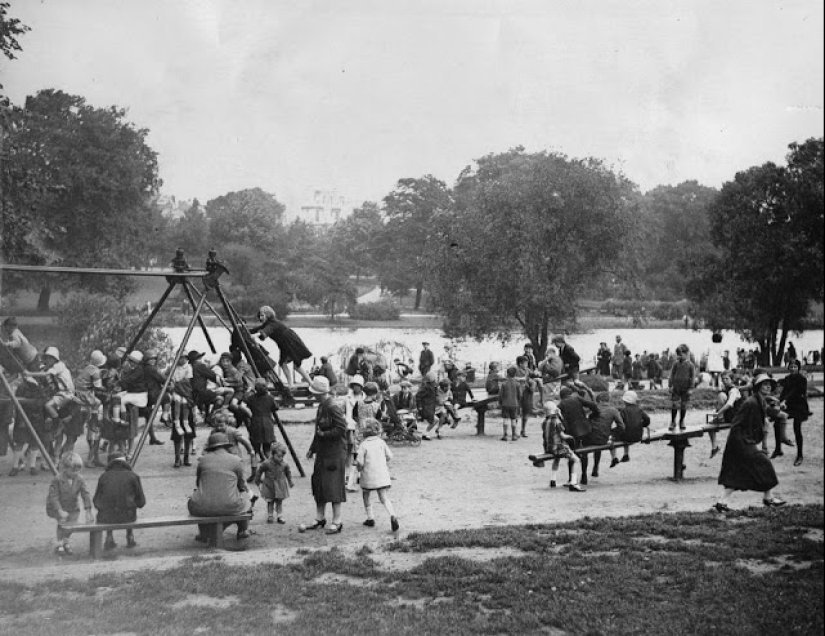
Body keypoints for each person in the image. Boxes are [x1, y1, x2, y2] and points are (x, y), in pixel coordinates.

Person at [714, 374, 787, 511]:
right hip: (740, 441)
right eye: (764, 384)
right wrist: (743, 443)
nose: (768, 386)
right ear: (758, 387)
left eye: (769, 384)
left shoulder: (760, 401)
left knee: (735, 473)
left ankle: (721, 503)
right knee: (764, 463)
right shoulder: (751, 402)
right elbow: (736, 424)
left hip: (742, 441)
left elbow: (767, 414)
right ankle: (768, 498)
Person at [188, 431, 251, 542]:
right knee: (246, 495)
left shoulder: (202, 461)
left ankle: (203, 533)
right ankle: (242, 530)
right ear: (226, 446)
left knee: (200, 494)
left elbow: (198, 484)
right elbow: (242, 485)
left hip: (201, 508)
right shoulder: (236, 460)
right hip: (230, 506)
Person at [305, 376, 347, 534]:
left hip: (335, 453)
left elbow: (341, 429)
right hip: (322, 453)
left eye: (314, 393)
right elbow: (318, 431)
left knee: (334, 486)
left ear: (320, 393)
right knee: (319, 484)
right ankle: (320, 518)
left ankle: (337, 521)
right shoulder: (322, 406)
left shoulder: (332, 406)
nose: (313, 396)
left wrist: (324, 434)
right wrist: (312, 448)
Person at [93, 451, 146, 550]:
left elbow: (96, 500)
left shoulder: (104, 477)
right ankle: (130, 535)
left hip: (106, 517)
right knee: (127, 505)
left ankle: (109, 536)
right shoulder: (133, 476)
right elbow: (141, 502)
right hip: (128, 516)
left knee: (109, 507)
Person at [249, 305, 313, 386]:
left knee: (295, 365)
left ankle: (308, 383)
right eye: (260, 315)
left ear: (268, 315)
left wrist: (256, 335)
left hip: (290, 342)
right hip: (284, 345)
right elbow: (257, 329)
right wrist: (245, 329)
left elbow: (266, 330)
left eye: (262, 315)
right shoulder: (267, 323)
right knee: (285, 364)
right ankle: (293, 384)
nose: (260, 318)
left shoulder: (273, 323)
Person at [46, 452, 93, 556]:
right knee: (62, 523)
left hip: (73, 506)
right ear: (65, 468)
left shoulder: (80, 479)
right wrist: (59, 510)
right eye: (72, 470)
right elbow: (53, 496)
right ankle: (59, 543)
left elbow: (85, 494)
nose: (75, 473)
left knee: (72, 525)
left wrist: (88, 510)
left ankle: (66, 541)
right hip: (59, 505)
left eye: (78, 470)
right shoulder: (57, 479)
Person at [356, 418, 399, 532]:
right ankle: (392, 515)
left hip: (368, 476)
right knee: (384, 497)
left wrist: (358, 470)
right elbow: (390, 456)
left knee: (366, 495)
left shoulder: (363, 445)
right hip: (381, 475)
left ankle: (370, 518)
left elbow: (360, 462)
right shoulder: (381, 442)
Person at [557, 385, 599, 485]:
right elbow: (592, 404)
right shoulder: (577, 398)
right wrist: (595, 414)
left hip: (572, 432)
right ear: (570, 394)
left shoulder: (561, 404)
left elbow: (560, 418)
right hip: (585, 428)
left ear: (562, 396)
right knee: (585, 452)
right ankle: (584, 475)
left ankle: (571, 478)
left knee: (571, 453)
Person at [541, 401, 585, 492]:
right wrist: (570, 437)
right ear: (555, 410)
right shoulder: (557, 421)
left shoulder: (545, 421)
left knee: (557, 459)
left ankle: (553, 480)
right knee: (576, 459)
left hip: (549, 447)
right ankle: (574, 483)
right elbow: (562, 435)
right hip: (557, 447)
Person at [585, 392, 624, 478]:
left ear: (600, 401)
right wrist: (611, 432)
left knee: (584, 448)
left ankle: (584, 474)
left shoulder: (592, 409)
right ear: (608, 400)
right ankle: (596, 467)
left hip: (590, 438)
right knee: (600, 442)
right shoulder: (613, 410)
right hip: (603, 439)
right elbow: (622, 426)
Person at [779, 360, 810, 467]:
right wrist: (779, 401)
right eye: (791, 366)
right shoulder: (787, 378)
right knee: (777, 419)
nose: (793, 369)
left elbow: (795, 391)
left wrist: (785, 401)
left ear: (798, 368)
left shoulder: (802, 379)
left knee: (797, 428)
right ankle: (779, 449)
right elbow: (784, 392)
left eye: (795, 367)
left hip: (799, 406)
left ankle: (799, 455)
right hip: (789, 405)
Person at [254, 441, 294, 524]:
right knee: (270, 501)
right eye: (279, 456)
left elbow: (288, 472)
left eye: (282, 456)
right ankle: (270, 515)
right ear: (272, 454)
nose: (281, 458)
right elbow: (260, 470)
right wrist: (257, 480)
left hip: (280, 485)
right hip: (270, 485)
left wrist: (290, 481)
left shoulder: (284, 464)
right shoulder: (266, 463)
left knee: (279, 501)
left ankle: (280, 515)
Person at [612, 390, 650, 465]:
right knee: (627, 430)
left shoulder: (623, 411)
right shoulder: (640, 410)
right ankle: (625, 454)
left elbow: (620, 424)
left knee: (616, 434)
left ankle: (615, 457)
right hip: (638, 436)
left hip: (627, 437)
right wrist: (642, 425)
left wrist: (613, 431)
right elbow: (647, 419)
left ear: (625, 401)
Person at [246, 378, 279, 464]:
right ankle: (269, 463)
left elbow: (245, 404)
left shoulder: (251, 398)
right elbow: (276, 407)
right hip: (267, 423)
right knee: (267, 448)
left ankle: (254, 465)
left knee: (255, 448)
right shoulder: (270, 398)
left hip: (256, 423)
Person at [344, 374, 365, 489]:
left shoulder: (364, 398)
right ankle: (347, 474)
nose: (356, 387)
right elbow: (343, 410)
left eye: (358, 385)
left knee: (360, 451)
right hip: (350, 426)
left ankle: (360, 474)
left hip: (361, 426)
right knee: (349, 449)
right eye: (354, 385)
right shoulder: (347, 398)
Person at [668, 344, 695, 431]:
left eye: (681, 354)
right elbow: (671, 374)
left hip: (685, 389)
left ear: (686, 353)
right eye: (678, 354)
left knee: (683, 405)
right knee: (674, 404)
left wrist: (691, 388)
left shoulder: (690, 365)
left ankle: (682, 421)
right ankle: (673, 421)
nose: (679, 356)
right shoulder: (676, 364)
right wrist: (670, 385)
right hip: (676, 388)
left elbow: (693, 377)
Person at [497, 366, 521, 442]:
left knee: (505, 419)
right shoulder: (517, 384)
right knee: (513, 419)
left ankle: (505, 435)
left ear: (507, 374)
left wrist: (500, 402)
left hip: (505, 404)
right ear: (515, 374)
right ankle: (514, 435)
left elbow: (500, 395)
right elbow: (519, 395)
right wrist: (518, 401)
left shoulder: (504, 384)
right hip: (514, 404)